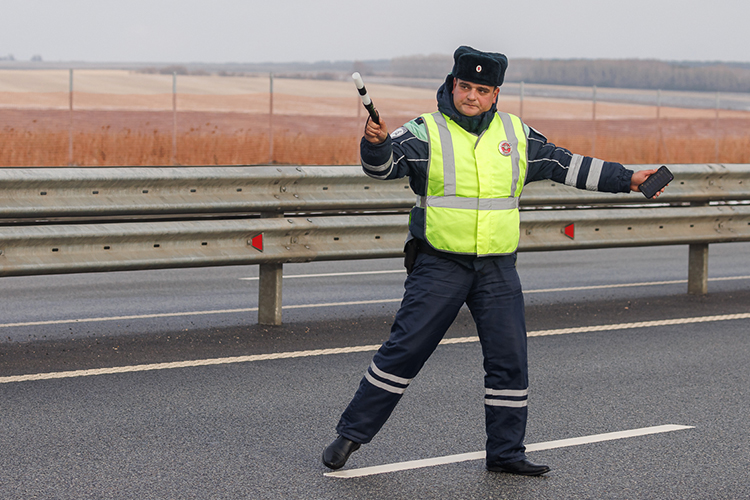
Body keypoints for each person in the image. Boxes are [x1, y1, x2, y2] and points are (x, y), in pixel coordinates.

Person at [322, 46, 665, 476]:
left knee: (510, 360)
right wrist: (373, 146)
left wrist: (628, 179)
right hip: (439, 265)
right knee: (404, 352)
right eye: (465, 86)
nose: (471, 96)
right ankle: (350, 436)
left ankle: (506, 453)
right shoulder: (426, 131)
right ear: (452, 84)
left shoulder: (516, 133)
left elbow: (566, 164)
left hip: (497, 270)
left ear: (495, 93)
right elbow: (384, 167)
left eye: (482, 90)